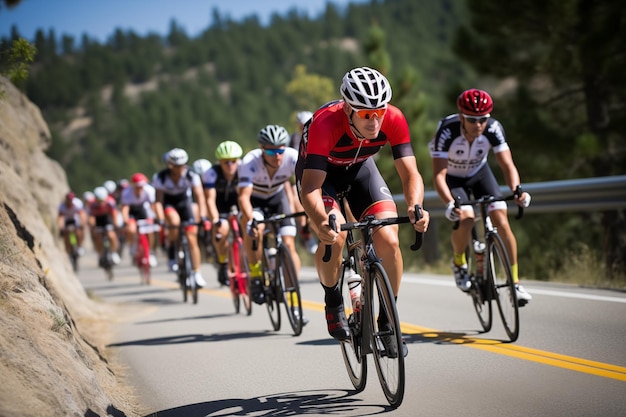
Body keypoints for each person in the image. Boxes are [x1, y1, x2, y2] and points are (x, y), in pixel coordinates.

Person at [296, 66, 430, 349]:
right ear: (347, 109)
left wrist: (416, 206)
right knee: (337, 234)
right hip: (322, 178)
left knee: (389, 240)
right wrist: (322, 220)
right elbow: (310, 188)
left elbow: (410, 174)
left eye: (379, 112)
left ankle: (387, 319)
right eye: (366, 114)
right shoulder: (325, 124)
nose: (375, 121)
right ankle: (333, 300)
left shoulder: (393, 117)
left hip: (360, 170)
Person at [429, 88, 532, 304]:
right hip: (453, 178)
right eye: (472, 119)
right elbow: (439, 175)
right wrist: (449, 203)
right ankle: (459, 263)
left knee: (502, 221)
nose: (478, 125)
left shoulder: (493, 129)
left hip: (479, 173)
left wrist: (517, 190)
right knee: (466, 218)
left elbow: (507, 165)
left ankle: (515, 284)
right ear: (461, 117)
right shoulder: (447, 131)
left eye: (483, 119)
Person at [238, 125, 302, 305]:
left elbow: (306, 187)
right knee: (256, 229)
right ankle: (256, 275)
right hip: (255, 201)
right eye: (272, 152)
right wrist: (250, 220)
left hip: (277, 198)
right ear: (262, 150)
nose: (277, 156)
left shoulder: (292, 157)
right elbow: (243, 197)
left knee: (289, 243)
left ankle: (292, 294)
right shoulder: (250, 162)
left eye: (280, 151)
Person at [153, 148, 209, 287]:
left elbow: (200, 197)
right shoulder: (161, 177)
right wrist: (160, 218)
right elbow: (158, 201)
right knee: (174, 221)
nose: (179, 169)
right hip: (169, 204)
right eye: (176, 166)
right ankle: (171, 250)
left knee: (191, 238)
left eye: (182, 165)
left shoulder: (191, 175)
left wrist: (202, 216)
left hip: (185, 203)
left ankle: (197, 273)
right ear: (170, 165)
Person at [202, 140, 243, 286]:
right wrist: (215, 220)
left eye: (233, 161)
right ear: (220, 162)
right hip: (219, 207)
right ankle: (222, 263)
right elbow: (210, 200)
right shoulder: (211, 173)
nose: (230, 165)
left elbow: (246, 195)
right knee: (222, 229)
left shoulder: (244, 169)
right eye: (226, 162)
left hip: (238, 204)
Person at [289, 110, 318, 255]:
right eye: (302, 126)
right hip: (297, 176)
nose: (304, 129)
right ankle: (304, 232)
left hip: (316, 174)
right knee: (296, 198)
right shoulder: (293, 139)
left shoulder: (319, 134)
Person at [120, 172, 158, 267]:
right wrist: (126, 220)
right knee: (131, 229)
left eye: (141, 186)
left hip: (143, 210)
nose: (139, 188)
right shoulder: (126, 192)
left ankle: (150, 252)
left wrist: (157, 217)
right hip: (132, 211)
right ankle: (132, 247)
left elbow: (153, 206)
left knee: (150, 230)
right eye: (137, 186)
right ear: (132, 185)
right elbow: (125, 208)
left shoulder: (149, 190)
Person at [87, 186, 121, 266]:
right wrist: (92, 226)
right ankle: (100, 253)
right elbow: (91, 216)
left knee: (111, 235)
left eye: (102, 200)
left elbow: (114, 214)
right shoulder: (92, 204)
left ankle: (113, 252)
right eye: (99, 200)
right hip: (98, 219)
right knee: (97, 236)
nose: (100, 202)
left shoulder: (110, 201)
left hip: (107, 218)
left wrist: (115, 225)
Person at [57, 191, 87, 257]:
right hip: (67, 220)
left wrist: (82, 224)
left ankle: (79, 246)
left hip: (75, 219)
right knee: (66, 234)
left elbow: (82, 215)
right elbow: (60, 218)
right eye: (69, 200)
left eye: (71, 200)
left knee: (78, 232)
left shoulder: (77, 204)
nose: (70, 201)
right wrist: (61, 227)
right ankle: (68, 250)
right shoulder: (62, 206)